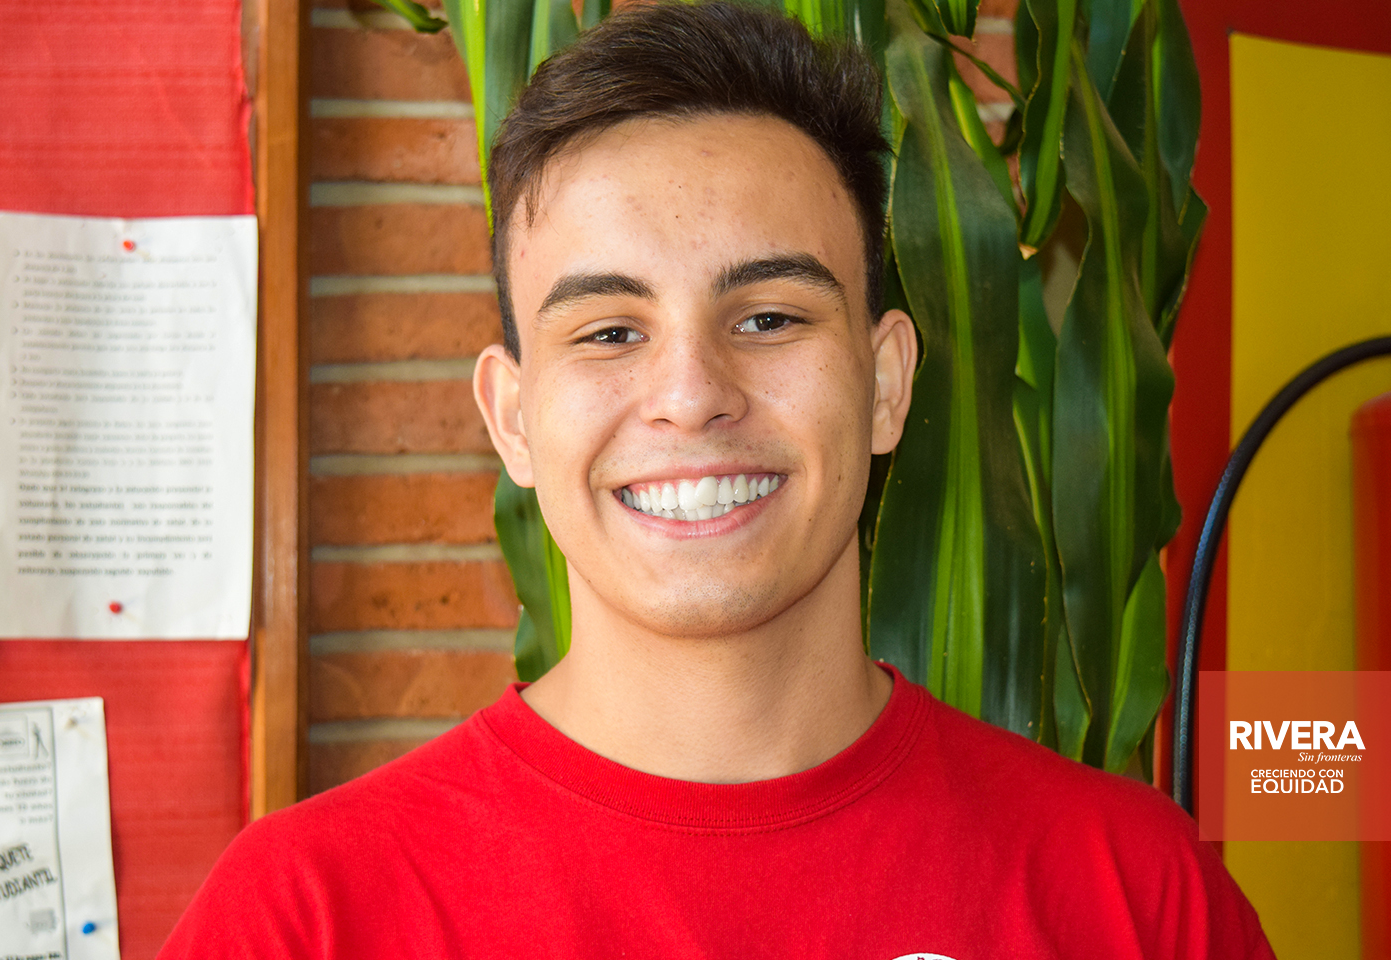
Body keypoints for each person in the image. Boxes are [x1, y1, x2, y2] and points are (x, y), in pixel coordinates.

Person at [159, 3, 1275, 956]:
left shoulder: (1134, 896)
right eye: (609, 332)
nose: (691, 395)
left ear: (886, 385)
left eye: (770, 317)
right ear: (512, 418)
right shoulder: (304, 916)